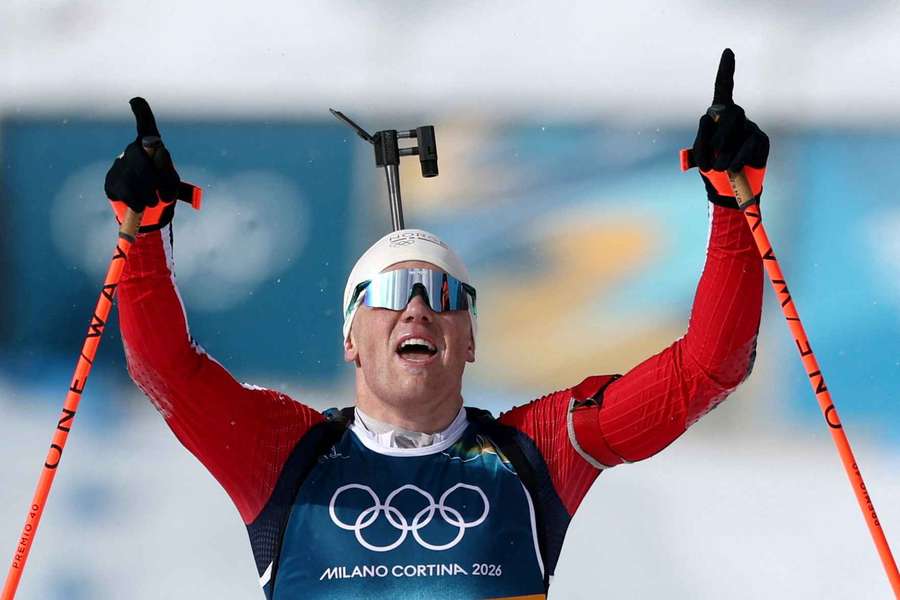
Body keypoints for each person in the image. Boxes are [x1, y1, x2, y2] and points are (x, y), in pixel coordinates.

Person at [107, 48, 768, 599]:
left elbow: (711, 366)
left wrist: (730, 200)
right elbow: (166, 371)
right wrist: (145, 230)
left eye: (445, 293)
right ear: (349, 337)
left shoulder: (534, 453)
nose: (418, 306)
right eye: (391, 291)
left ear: (472, 338)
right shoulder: (286, 454)